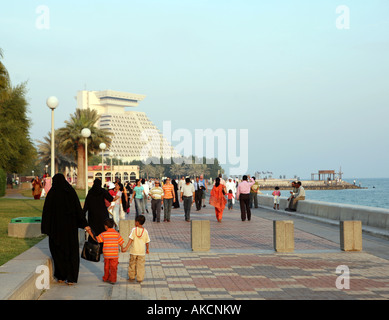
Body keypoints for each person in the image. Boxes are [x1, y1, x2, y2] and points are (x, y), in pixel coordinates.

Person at [41, 173, 94, 285]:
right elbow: (78, 210)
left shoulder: (52, 194)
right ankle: (71, 278)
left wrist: (46, 228)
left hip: (56, 232)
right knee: (71, 253)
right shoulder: (70, 192)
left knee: (57, 253)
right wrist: (85, 224)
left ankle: (61, 276)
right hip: (70, 231)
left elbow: (46, 213)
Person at [95, 218, 126, 284]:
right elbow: (121, 242)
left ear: (106, 226)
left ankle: (106, 278)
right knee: (114, 268)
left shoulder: (104, 234)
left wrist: (91, 233)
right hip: (114, 254)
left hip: (106, 254)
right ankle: (113, 279)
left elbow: (97, 239)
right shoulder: (117, 234)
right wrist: (122, 248)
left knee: (106, 267)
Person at [124, 215, 150, 283]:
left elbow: (130, 240)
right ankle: (140, 278)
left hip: (133, 251)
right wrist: (147, 249)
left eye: (135, 221)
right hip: (141, 252)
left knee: (132, 264)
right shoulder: (145, 231)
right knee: (141, 265)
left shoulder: (134, 230)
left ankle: (131, 276)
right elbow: (147, 242)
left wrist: (126, 247)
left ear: (137, 222)